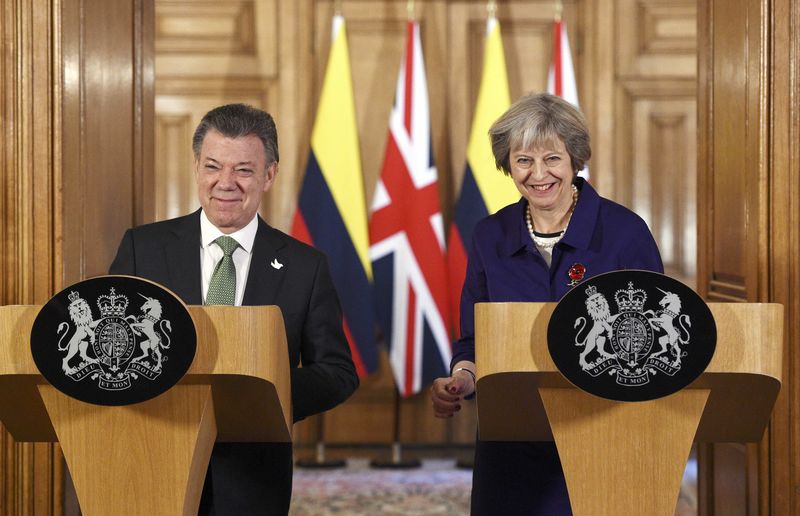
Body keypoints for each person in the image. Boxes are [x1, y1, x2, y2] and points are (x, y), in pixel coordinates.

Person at [109, 103, 359, 515]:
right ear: (196, 167)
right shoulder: (143, 249)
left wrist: (259, 396)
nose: (225, 183)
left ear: (269, 174)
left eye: (243, 169)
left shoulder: (305, 266)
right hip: (152, 459)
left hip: (251, 474)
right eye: (212, 166)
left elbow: (337, 372)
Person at [430, 93, 663, 515]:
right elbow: (472, 341)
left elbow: (656, 344)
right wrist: (461, 379)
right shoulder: (489, 235)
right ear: (508, 165)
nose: (539, 174)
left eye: (552, 158)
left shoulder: (625, 233)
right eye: (523, 160)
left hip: (601, 432)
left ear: (576, 159)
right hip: (511, 437)